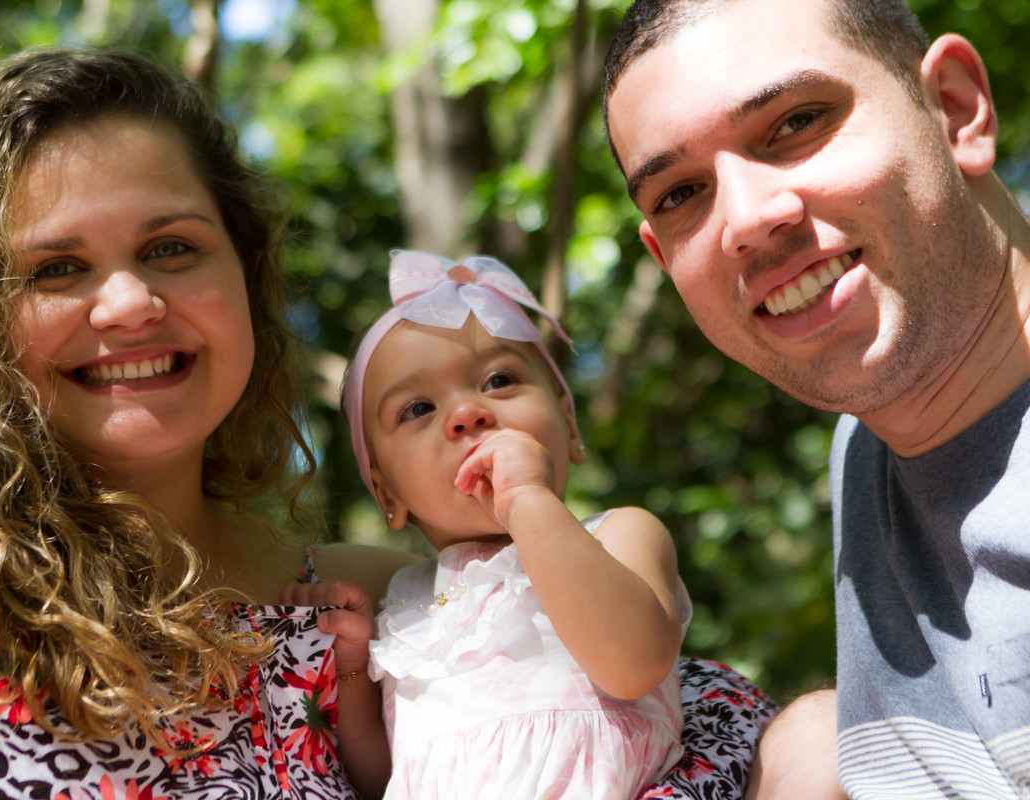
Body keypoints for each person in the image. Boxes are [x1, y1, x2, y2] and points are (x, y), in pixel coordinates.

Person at [0, 47, 415, 799]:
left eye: (170, 248)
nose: (133, 302)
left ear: (246, 271)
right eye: (55, 269)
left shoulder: (361, 608)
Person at [602, 0, 1030, 797]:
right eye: (680, 192)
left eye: (797, 121)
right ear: (665, 261)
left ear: (956, 109)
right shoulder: (868, 446)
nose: (748, 221)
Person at [284, 250, 776, 799]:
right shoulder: (404, 605)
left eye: (498, 379)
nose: (467, 414)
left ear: (568, 425)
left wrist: (528, 500)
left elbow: (634, 664)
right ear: (387, 493)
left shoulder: (617, 534)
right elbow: (386, 778)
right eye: (418, 408)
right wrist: (352, 673)